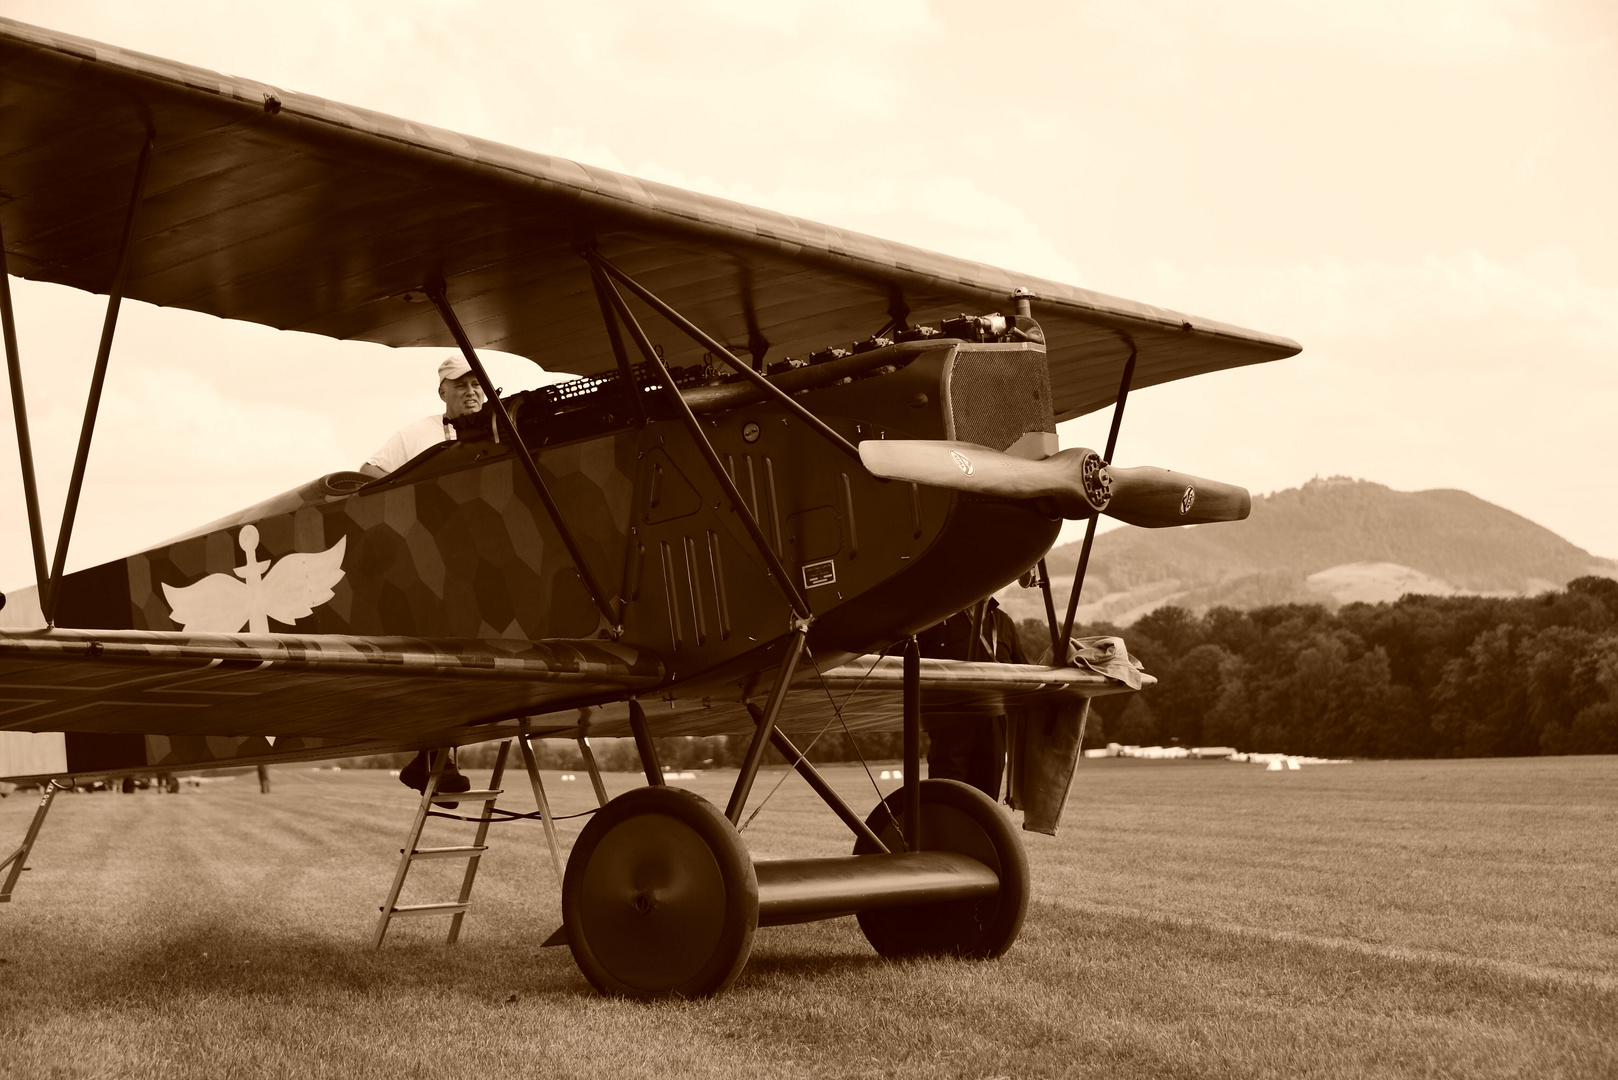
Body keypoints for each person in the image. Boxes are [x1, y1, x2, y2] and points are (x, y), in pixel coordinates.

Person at [914, 598, 1027, 800]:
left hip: (994, 727)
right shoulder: (934, 619)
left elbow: (1024, 672)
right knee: (946, 798)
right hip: (950, 725)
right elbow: (897, 660)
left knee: (986, 802)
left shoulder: (1004, 622)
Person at [359, 357, 486, 478]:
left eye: (476, 384)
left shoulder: (501, 428)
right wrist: (409, 492)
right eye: (461, 386)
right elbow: (367, 471)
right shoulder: (418, 432)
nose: (470, 392)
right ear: (443, 393)